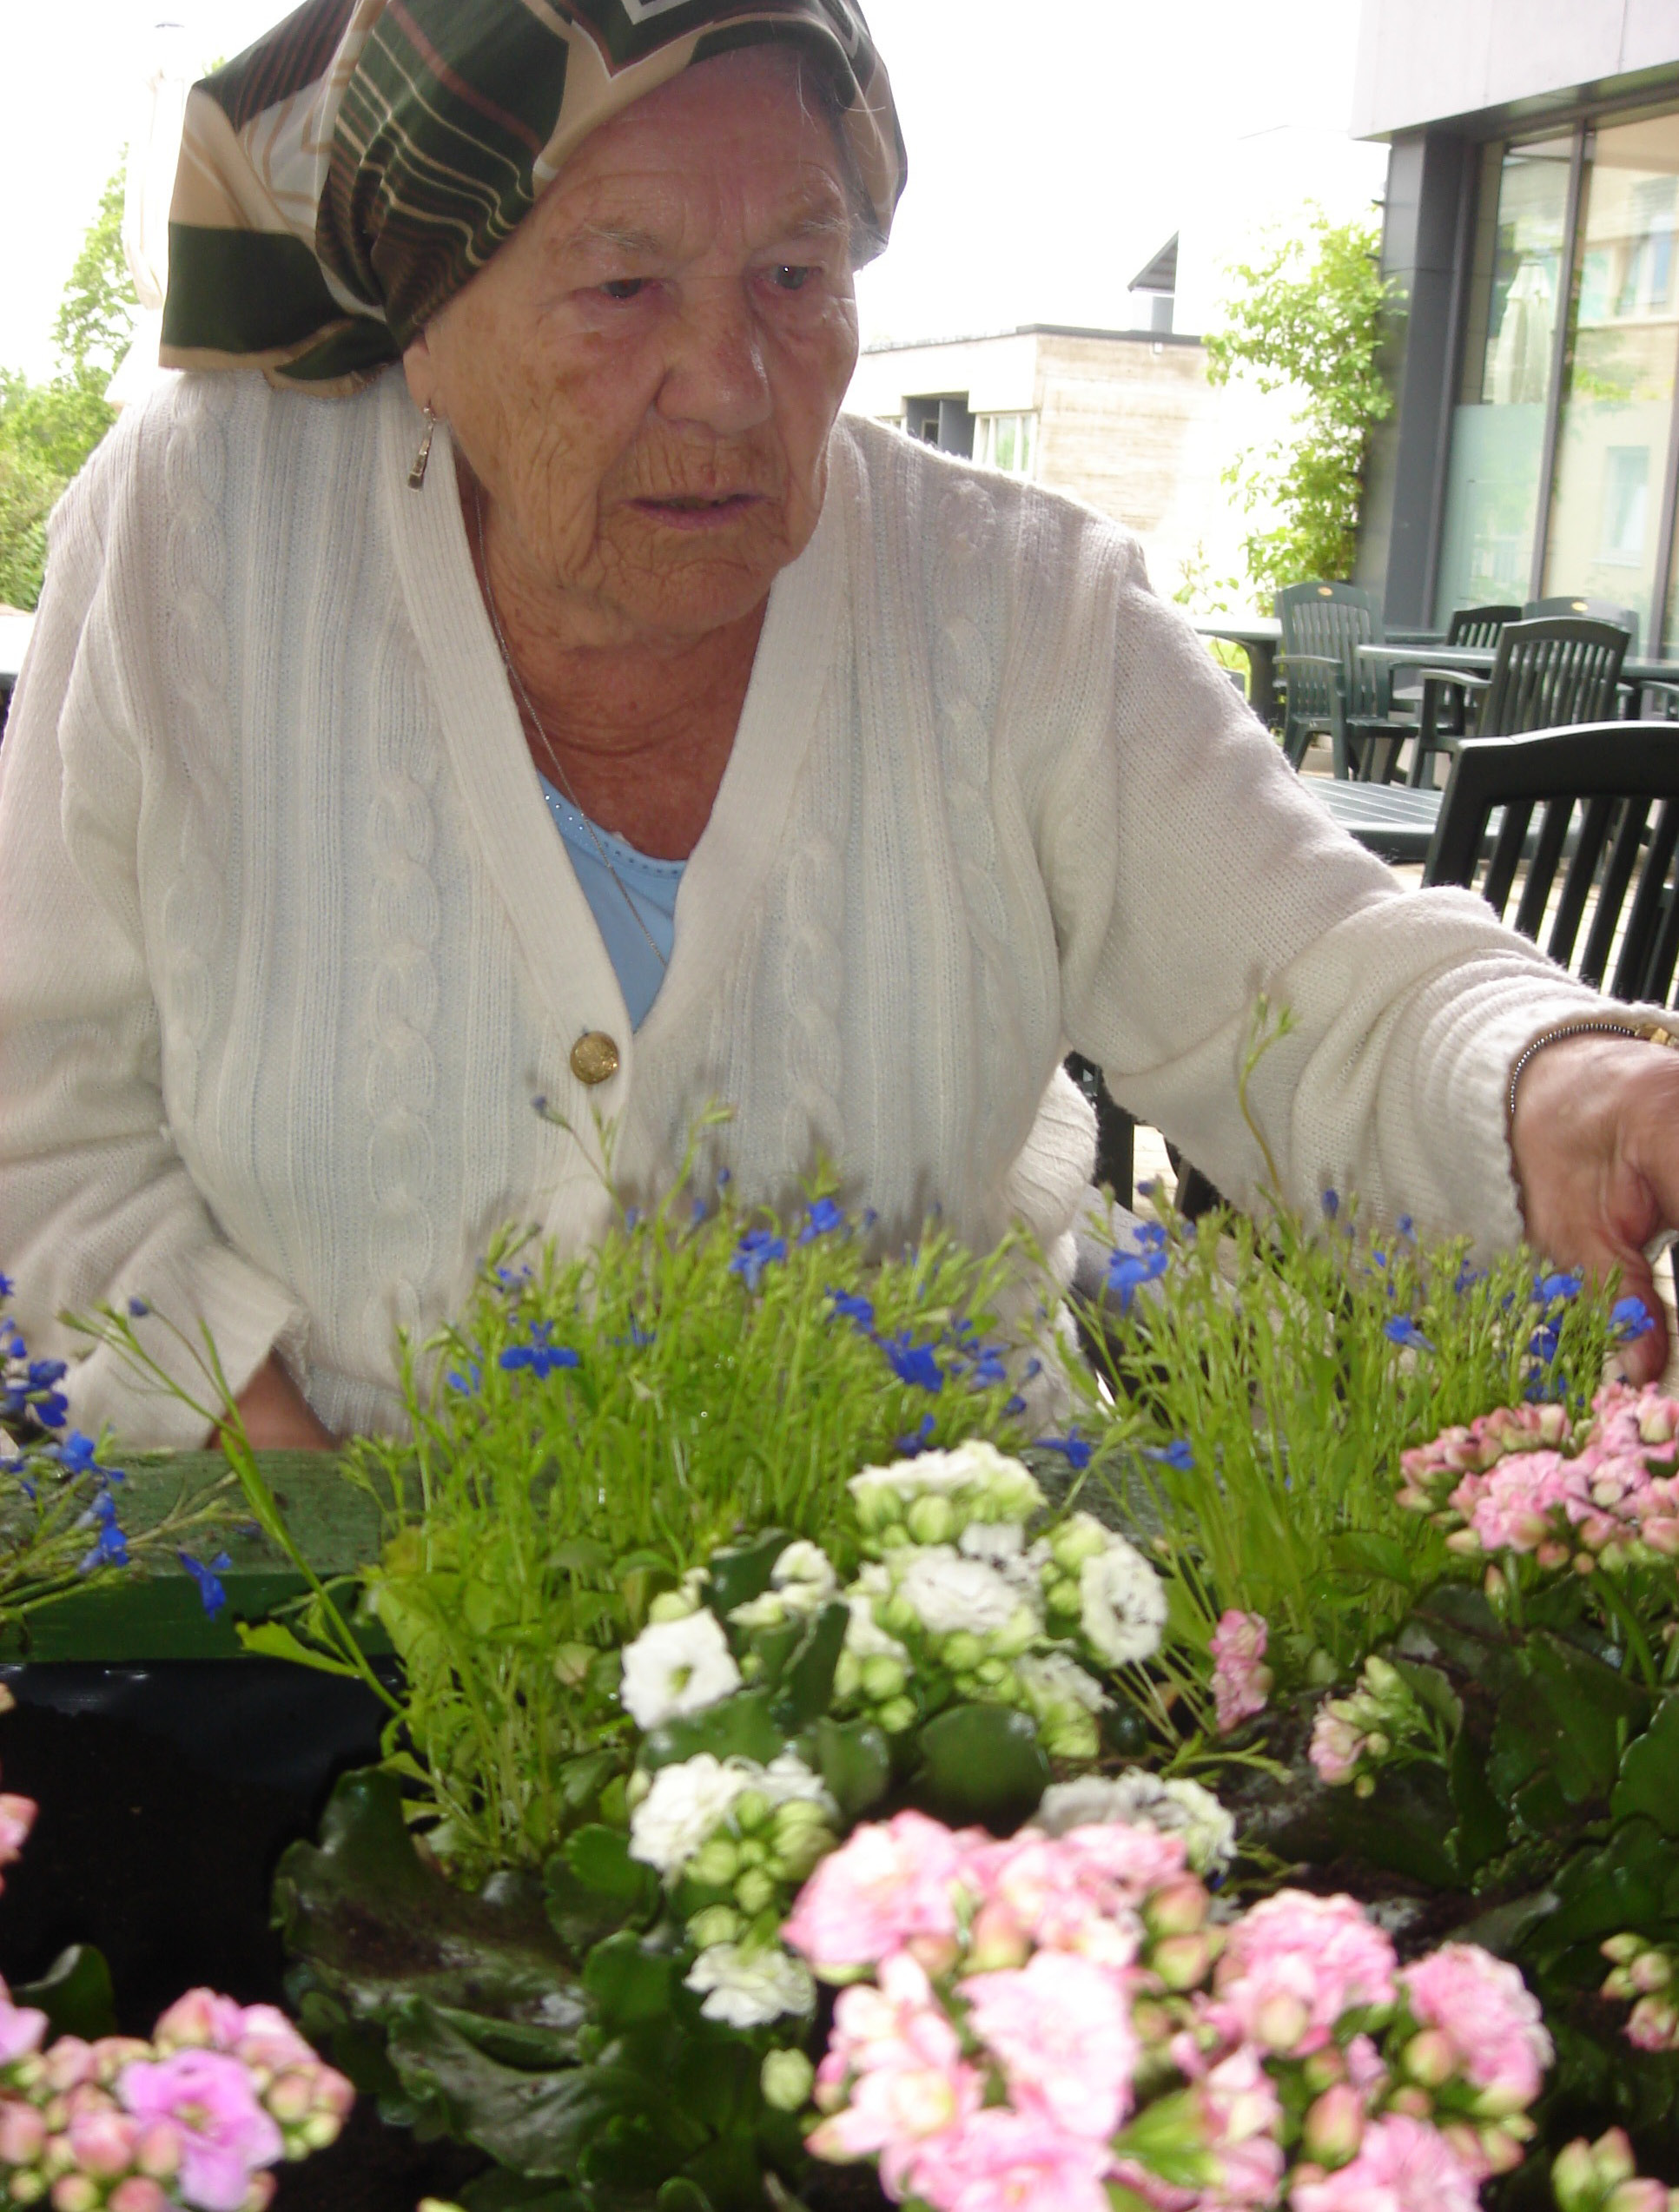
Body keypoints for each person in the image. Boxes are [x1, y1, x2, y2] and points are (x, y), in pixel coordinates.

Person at [3, 0, 1678, 1454]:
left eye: (795, 274)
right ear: (424, 326)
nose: (730, 380)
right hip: (288, 1620)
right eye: (622, 286)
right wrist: (312, 1511)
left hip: (914, 1642)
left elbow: (1330, 1002)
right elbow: (40, 1103)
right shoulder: (200, 531)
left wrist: (1576, 1094)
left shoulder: (1020, 609)